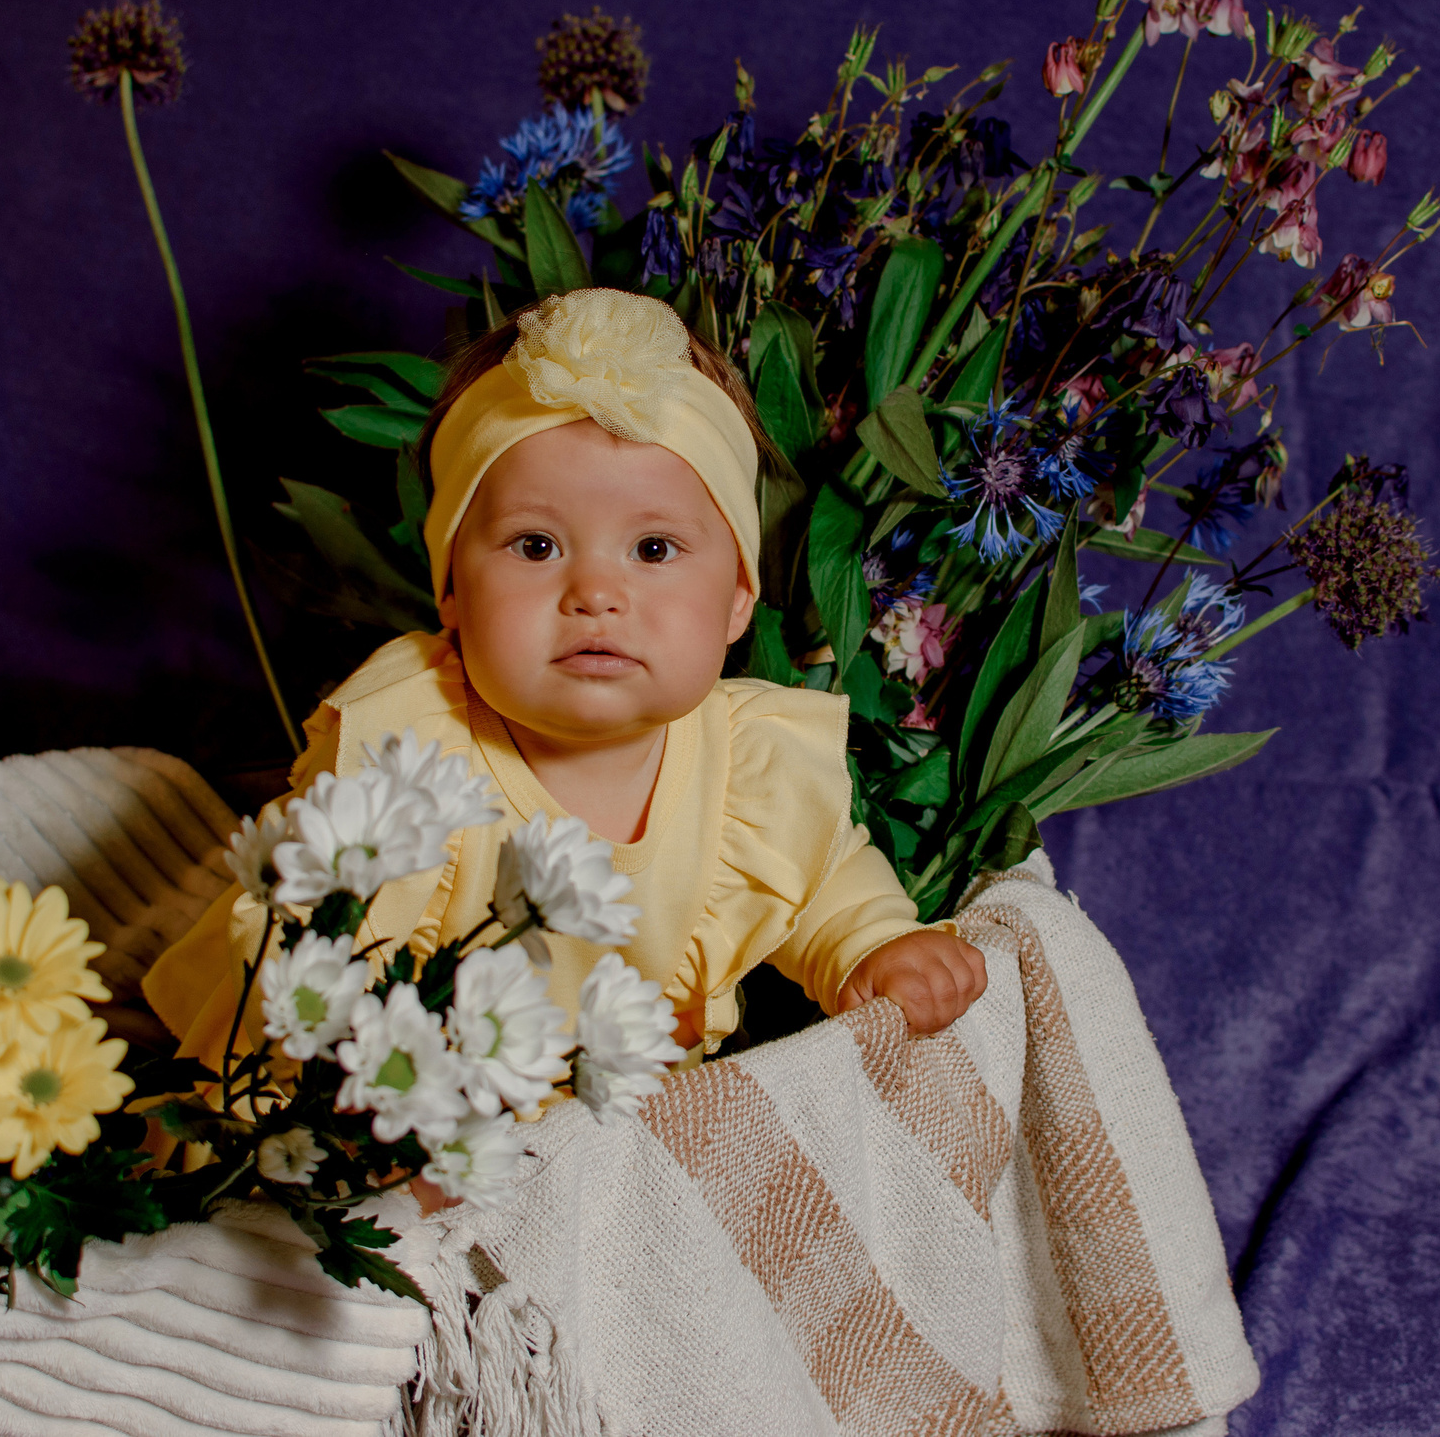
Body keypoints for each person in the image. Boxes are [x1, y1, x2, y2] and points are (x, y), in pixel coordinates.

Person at [142, 287, 986, 1077]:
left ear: (736, 599)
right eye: (536, 546)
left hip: (615, 1144)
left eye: (654, 549)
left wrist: (875, 944)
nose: (595, 593)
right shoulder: (408, 750)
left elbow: (821, 878)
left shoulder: (747, 766)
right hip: (404, 1117)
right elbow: (307, 959)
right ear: (451, 592)